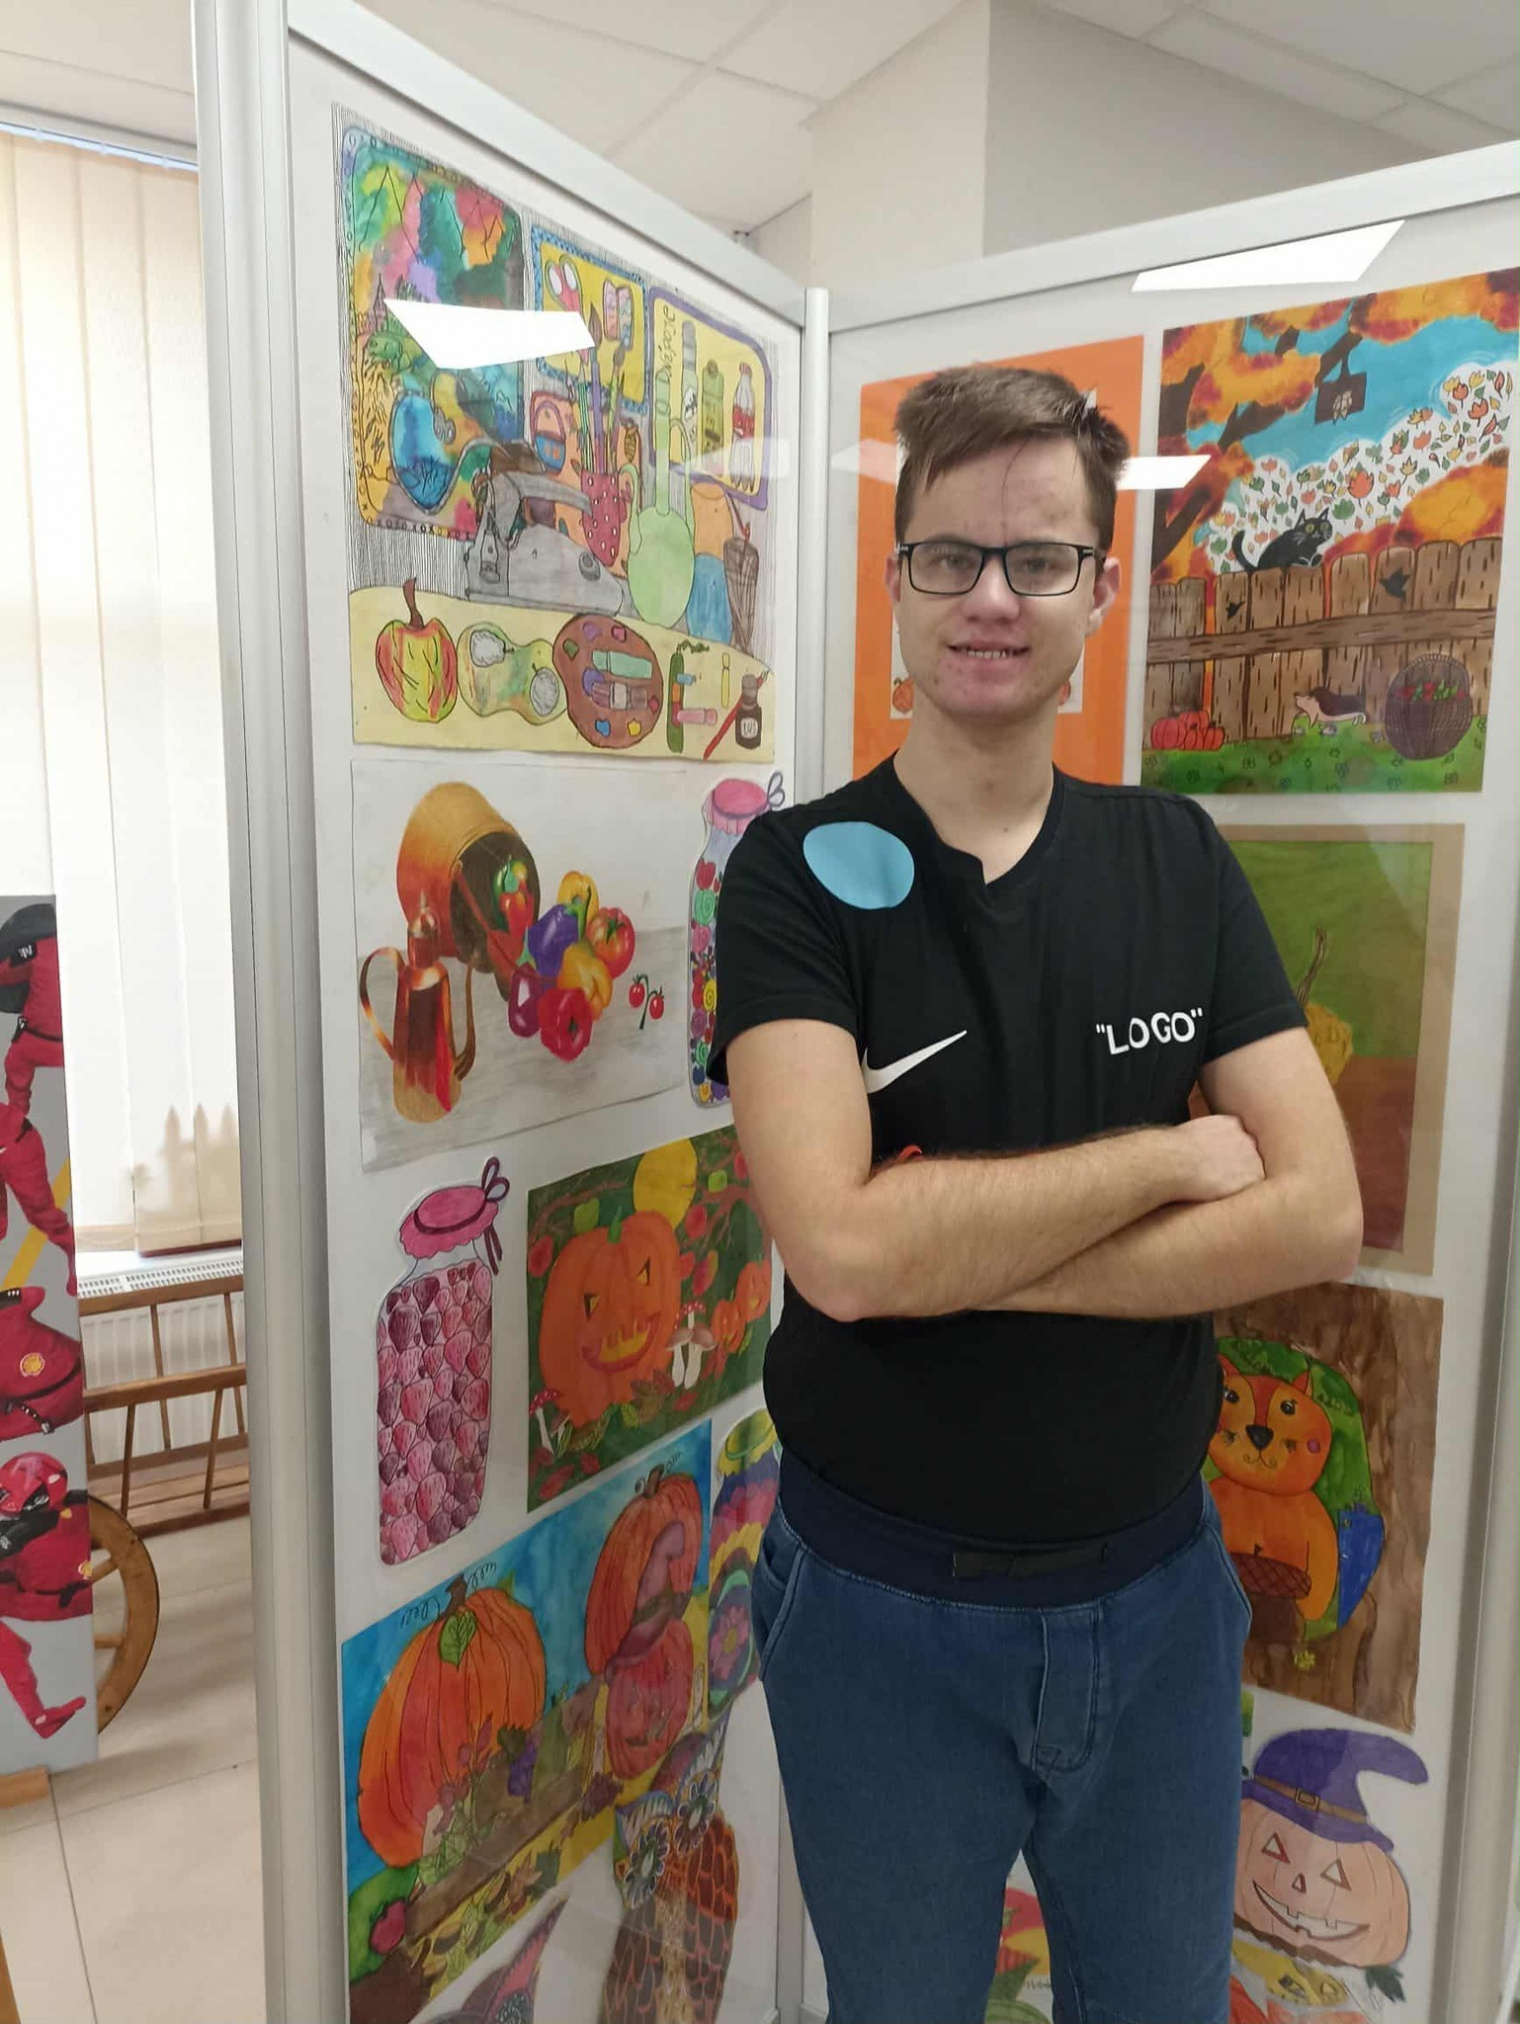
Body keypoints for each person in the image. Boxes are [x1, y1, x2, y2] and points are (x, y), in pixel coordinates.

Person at [709, 366, 1362, 2024]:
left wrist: (948, 1246)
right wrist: (1164, 1162)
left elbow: (1316, 1213)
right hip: (879, 1615)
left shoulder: (1177, 860)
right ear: (899, 581)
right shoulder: (792, 877)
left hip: (1160, 1605)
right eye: (951, 556)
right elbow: (839, 1252)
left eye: (1040, 558)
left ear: (1098, 589)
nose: (992, 597)